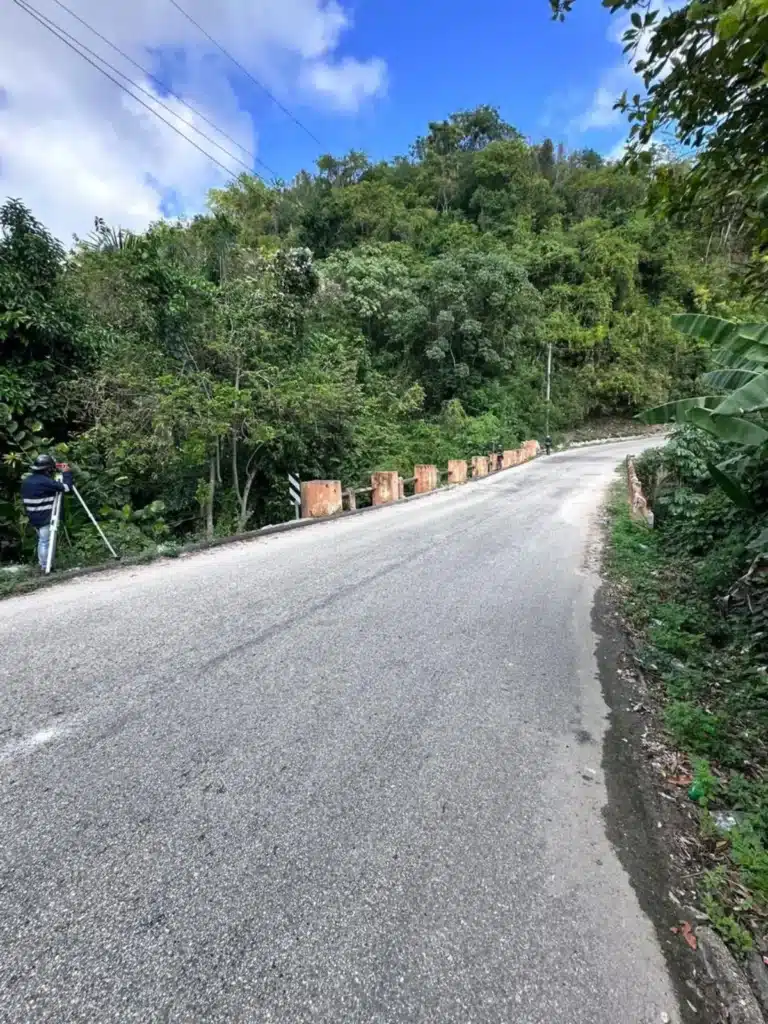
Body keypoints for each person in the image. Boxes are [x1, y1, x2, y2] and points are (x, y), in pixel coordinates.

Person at [21, 454, 73, 571]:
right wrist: (66, 473)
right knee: (45, 541)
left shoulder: (28, 481)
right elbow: (66, 488)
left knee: (42, 541)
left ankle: (43, 564)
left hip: (33, 515)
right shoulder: (45, 482)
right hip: (44, 516)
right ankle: (46, 567)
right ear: (48, 469)